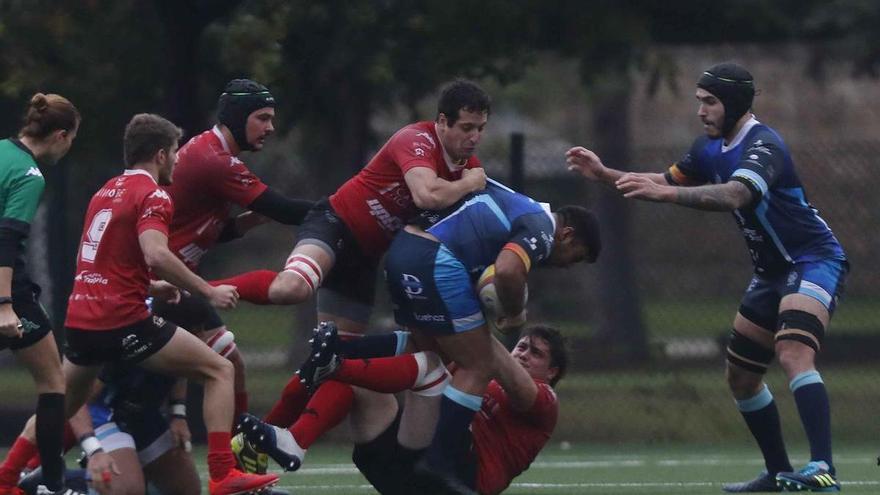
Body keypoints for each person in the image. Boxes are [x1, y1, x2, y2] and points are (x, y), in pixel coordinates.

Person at [566, 62, 848, 493]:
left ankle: (823, 469)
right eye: (700, 101)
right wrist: (605, 174)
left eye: (710, 102)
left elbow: (737, 194)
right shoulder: (705, 149)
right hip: (771, 273)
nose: (701, 111)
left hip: (812, 261)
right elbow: (657, 182)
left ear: (733, 103)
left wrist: (669, 195)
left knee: (792, 353)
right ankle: (776, 473)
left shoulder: (764, 145)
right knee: (741, 377)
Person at [243, 178, 600, 493]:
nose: (522, 353)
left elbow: (503, 372)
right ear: (566, 235)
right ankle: (292, 436)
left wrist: (474, 326)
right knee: (396, 369)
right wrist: (508, 313)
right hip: (411, 468)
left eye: (535, 353)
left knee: (428, 364)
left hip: (464, 477)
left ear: (552, 373)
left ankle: (338, 360)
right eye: (522, 346)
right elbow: (501, 279)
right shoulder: (536, 226)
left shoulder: (545, 402)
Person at [227, 78, 490, 447]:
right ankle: (205, 291)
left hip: (364, 259)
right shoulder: (416, 140)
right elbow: (427, 194)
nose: (474, 137)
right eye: (466, 127)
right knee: (294, 287)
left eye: (480, 129)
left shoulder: (468, 168)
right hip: (334, 223)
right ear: (442, 122)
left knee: (334, 363)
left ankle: (259, 439)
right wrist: (468, 183)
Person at [59, 113, 278, 495]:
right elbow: (157, 254)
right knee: (220, 370)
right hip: (115, 341)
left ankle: (13, 475)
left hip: (93, 322)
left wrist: (178, 413)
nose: (178, 160)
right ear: (161, 154)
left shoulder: (106, 191)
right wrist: (208, 291)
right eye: (175, 151)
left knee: (57, 399)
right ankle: (223, 472)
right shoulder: (154, 195)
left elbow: (116, 260)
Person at [152, 78, 314, 421]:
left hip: (179, 284)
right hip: (155, 286)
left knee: (229, 365)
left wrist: (252, 221)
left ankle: (237, 453)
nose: (270, 127)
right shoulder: (216, 160)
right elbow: (283, 208)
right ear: (238, 117)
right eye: (263, 118)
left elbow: (213, 232)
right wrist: (342, 208)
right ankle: (27, 466)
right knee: (98, 389)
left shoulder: (212, 152)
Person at [0, 93, 80, 495]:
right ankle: (52, 485)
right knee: (53, 382)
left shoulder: (0, 152)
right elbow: (7, 239)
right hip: (7, 289)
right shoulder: (30, 175)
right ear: (61, 135)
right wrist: (4, 305)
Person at [16, 363, 200, 495]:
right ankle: (50, 483)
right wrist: (94, 449)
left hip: (141, 412)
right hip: (104, 409)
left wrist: (178, 414)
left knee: (186, 488)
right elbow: (76, 398)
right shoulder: (116, 331)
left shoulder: (180, 323)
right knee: (127, 489)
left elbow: (181, 360)